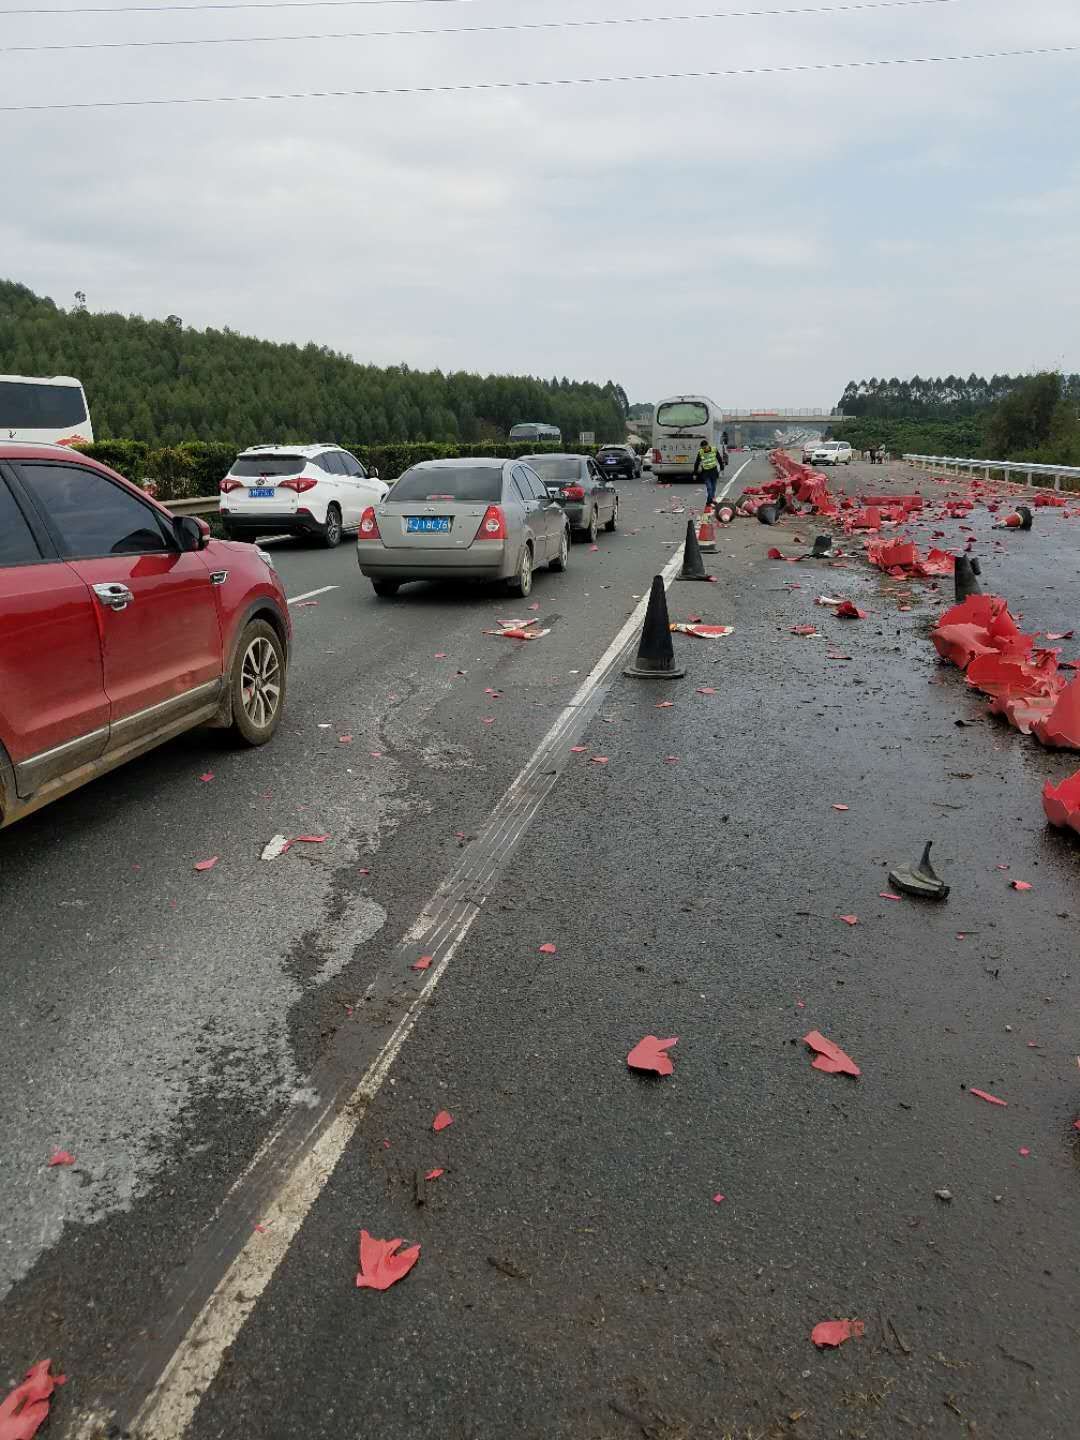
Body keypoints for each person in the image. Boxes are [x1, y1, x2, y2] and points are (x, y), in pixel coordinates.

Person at [692, 438, 722, 506]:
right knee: (709, 488)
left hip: (714, 471)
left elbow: (719, 458)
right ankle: (710, 501)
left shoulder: (714, 449)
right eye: (703, 448)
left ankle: (709, 501)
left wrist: (722, 468)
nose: (704, 449)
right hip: (706, 472)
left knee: (713, 488)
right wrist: (694, 473)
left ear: (708, 445)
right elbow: (697, 463)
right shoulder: (700, 452)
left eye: (705, 447)